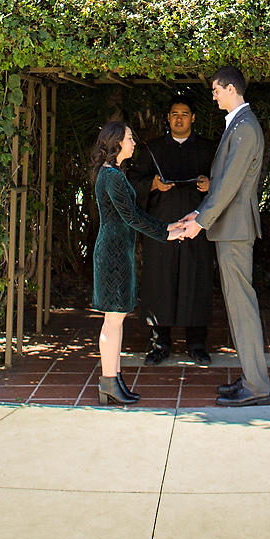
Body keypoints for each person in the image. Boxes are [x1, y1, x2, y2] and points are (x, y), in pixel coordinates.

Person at [174, 67, 270, 407]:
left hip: (234, 230)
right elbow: (222, 184)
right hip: (229, 229)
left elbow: (229, 185)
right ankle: (250, 379)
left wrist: (201, 221)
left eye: (216, 89)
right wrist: (198, 213)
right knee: (238, 306)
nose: (213, 95)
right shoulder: (239, 125)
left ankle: (257, 385)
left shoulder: (245, 128)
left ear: (231, 89)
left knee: (242, 307)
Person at [90, 120, 184, 406]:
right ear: (117, 143)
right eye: (130, 138)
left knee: (116, 320)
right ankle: (109, 381)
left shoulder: (115, 174)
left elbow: (133, 215)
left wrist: (168, 227)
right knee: (113, 320)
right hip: (113, 253)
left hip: (118, 251)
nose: (134, 143)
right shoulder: (112, 177)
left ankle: (114, 379)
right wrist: (166, 234)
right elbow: (131, 217)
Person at [127, 97, 219, 365]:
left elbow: (225, 181)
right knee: (160, 282)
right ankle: (159, 343)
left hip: (197, 226)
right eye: (174, 114)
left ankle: (197, 343)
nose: (179, 119)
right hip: (161, 225)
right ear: (167, 118)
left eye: (185, 114)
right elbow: (134, 181)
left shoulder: (207, 149)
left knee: (197, 280)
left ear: (193, 118)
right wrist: (154, 184)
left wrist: (210, 185)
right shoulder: (153, 149)